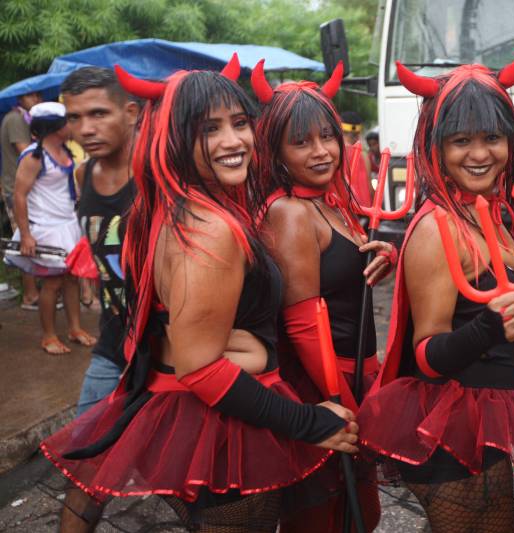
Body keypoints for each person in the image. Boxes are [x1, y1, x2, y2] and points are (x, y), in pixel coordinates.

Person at [40, 58, 358, 533]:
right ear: (174, 139)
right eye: (209, 129)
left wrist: (241, 344)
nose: (234, 141)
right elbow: (200, 368)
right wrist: (309, 421)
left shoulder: (182, 209)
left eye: (239, 123)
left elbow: (172, 329)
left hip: (211, 418)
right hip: (223, 430)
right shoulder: (208, 228)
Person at [357, 39, 514, 533]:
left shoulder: (492, 213)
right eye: (461, 142)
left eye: (492, 139)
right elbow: (429, 354)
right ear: (436, 147)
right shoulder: (438, 227)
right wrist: (491, 326)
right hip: (449, 427)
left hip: (490, 412)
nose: (480, 155)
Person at [252, 62, 392, 532]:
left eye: (326, 137)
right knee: (323, 519)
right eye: (301, 142)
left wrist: (381, 255)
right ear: (275, 150)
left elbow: (341, 276)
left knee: (360, 517)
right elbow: (301, 324)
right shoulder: (290, 212)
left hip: (353, 378)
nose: (320, 152)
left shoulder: (326, 202)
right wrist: (344, 404)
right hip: (326, 388)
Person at [61, 66, 139, 414]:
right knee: (85, 445)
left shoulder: (158, 172)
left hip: (168, 347)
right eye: (74, 117)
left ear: (131, 113)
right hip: (113, 340)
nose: (85, 129)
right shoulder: (84, 174)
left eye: (99, 114)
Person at [6, 101, 95, 354]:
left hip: (67, 225)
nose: (73, 125)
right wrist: (25, 235)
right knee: (52, 283)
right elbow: (19, 196)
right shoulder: (34, 156)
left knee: (72, 280)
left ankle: (75, 328)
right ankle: (48, 336)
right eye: (69, 121)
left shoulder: (64, 151)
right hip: (45, 228)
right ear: (56, 127)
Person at [1, 90, 42, 308]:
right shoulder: (16, 119)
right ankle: (30, 295)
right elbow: (25, 150)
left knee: (31, 237)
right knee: (24, 238)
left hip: (25, 187)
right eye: (32, 96)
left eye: (39, 96)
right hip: (15, 189)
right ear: (20, 98)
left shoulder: (23, 117)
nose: (37, 100)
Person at [339, 109, 373, 206]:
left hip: (343, 209)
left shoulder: (334, 154)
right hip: (364, 211)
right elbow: (370, 189)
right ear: (358, 134)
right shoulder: (364, 156)